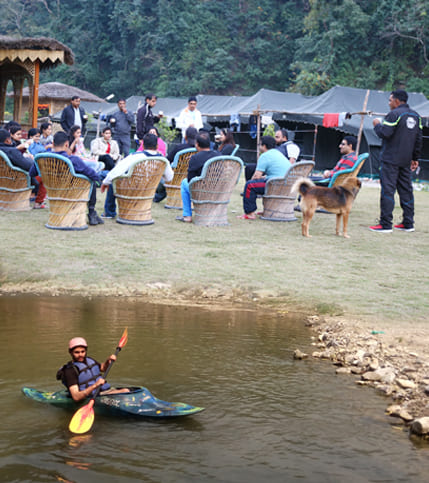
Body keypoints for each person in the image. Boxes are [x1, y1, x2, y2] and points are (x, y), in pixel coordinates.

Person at [370, 89, 422, 233]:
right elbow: (418, 140)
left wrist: (376, 124)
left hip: (390, 160)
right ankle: (408, 223)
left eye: (390, 100)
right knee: (406, 191)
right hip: (405, 161)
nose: (389, 103)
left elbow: (384, 133)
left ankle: (385, 224)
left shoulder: (394, 114)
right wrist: (415, 158)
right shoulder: (416, 116)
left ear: (397, 101)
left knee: (388, 190)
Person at [33, 131, 103, 225]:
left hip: (53, 190)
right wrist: (98, 180)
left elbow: (31, 173)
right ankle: (91, 212)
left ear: (53, 144)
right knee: (92, 180)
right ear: (67, 144)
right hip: (71, 191)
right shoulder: (73, 160)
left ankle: (92, 213)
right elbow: (93, 175)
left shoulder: (42, 158)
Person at [100, 133, 173, 218]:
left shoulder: (135, 156)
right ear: (157, 146)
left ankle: (109, 212)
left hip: (131, 188)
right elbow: (169, 177)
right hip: (149, 189)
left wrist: (105, 182)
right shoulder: (163, 160)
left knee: (112, 180)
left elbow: (116, 171)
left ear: (143, 145)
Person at [56, 337, 129, 402]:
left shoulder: (89, 360)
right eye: (77, 352)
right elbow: (76, 397)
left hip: (102, 392)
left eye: (83, 351)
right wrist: (95, 385)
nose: (81, 354)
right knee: (125, 391)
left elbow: (102, 368)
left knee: (127, 391)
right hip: (90, 397)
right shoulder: (70, 371)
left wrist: (108, 361)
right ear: (70, 352)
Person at [238, 135, 291, 220]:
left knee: (249, 186)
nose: (259, 146)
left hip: (276, 185)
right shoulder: (279, 153)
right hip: (287, 184)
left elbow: (256, 176)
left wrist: (251, 182)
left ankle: (250, 213)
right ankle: (266, 209)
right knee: (257, 183)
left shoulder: (265, 156)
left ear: (264, 146)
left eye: (260, 144)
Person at [0, 128, 47, 208]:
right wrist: (30, 159)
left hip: (4, 178)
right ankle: (38, 202)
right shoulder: (12, 151)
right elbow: (28, 166)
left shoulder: (4, 150)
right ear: (8, 140)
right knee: (44, 175)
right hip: (18, 178)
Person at [176, 134, 218, 223]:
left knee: (184, 182)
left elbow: (190, 180)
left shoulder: (195, 158)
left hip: (202, 190)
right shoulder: (219, 155)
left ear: (197, 144)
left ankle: (187, 215)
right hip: (218, 190)